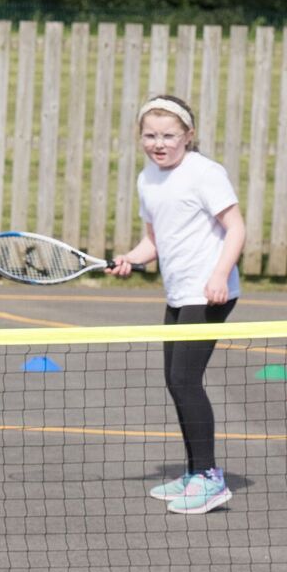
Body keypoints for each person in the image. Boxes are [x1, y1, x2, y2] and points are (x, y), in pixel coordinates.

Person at [107, 94, 248, 516]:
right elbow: (154, 239)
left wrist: (220, 274)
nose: (159, 143)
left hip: (209, 294)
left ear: (189, 135)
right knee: (176, 381)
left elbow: (236, 228)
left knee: (186, 381)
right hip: (179, 291)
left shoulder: (205, 173)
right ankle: (194, 473)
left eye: (169, 135)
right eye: (150, 135)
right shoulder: (147, 178)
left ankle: (209, 479)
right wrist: (131, 259)